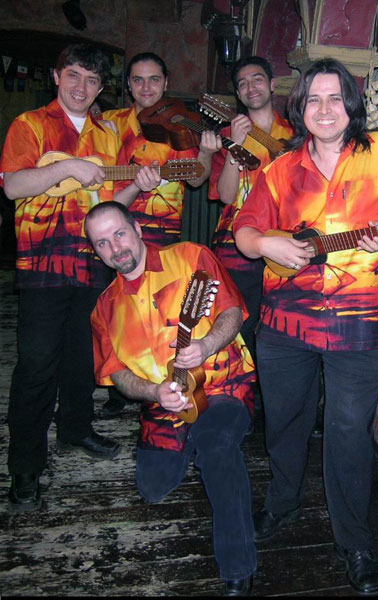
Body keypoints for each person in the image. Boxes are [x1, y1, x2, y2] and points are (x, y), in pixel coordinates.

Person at [233, 58, 378, 595]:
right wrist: (268, 243)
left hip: (359, 324)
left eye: (335, 98)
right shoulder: (279, 169)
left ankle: (354, 539)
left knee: (350, 434)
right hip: (284, 324)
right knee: (285, 423)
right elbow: (244, 231)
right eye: (314, 99)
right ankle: (283, 501)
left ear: (351, 105)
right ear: (300, 109)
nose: (325, 109)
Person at [0, 43, 159, 513]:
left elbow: (112, 203)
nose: (81, 87)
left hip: (94, 261)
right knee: (35, 365)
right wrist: (67, 167)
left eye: (91, 80)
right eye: (73, 75)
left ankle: (75, 428)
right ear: (56, 76)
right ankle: (25, 466)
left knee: (82, 356)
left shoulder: (108, 133)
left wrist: (138, 186)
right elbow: (12, 185)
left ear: (101, 87)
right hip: (44, 263)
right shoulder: (30, 124)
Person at [85, 201, 256, 596]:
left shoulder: (191, 258)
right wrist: (154, 392)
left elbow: (232, 312)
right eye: (102, 243)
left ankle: (238, 566)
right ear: (96, 252)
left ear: (138, 229)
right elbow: (119, 376)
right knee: (152, 487)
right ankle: (188, 438)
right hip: (163, 404)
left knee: (217, 449)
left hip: (221, 386)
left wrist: (206, 345)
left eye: (119, 234)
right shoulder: (104, 309)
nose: (115, 248)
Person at [101, 51, 221, 416]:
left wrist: (205, 154)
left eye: (154, 79)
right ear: (128, 85)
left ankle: (161, 385)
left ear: (166, 83)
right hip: (113, 238)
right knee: (121, 313)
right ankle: (121, 390)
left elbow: (197, 179)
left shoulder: (178, 125)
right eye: (138, 80)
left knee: (159, 314)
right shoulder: (109, 124)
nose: (146, 87)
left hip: (163, 235)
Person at [208, 56, 293, 362]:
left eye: (257, 79)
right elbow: (226, 196)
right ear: (238, 94)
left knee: (278, 329)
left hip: (284, 241)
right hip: (235, 247)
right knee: (239, 328)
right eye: (242, 83)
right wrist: (235, 144)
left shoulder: (296, 135)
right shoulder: (228, 135)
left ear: (272, 85)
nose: (250, 87)